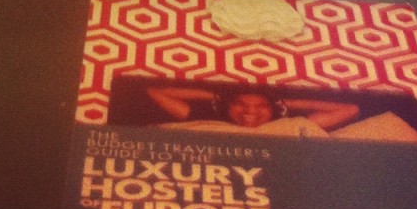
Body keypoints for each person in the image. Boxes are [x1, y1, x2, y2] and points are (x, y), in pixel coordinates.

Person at [146, 84, 360, 137]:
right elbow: (155, 91)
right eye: (239, 103)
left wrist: (289, 103)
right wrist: (215, 97)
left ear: (273, 110)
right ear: (227, 106)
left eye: (261, 106)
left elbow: (350, 109)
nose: (250, 111)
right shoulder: (204, 121)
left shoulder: (288, 126)